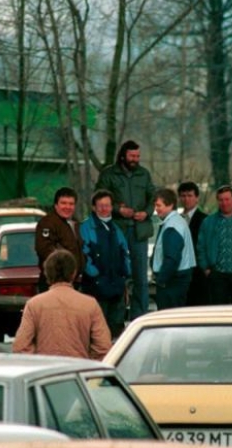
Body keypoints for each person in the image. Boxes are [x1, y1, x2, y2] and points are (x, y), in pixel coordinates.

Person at [12, 249, 112, 360]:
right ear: (73, 273)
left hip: (45, 373)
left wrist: (38, 363)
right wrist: (87, 364)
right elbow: (103, 347)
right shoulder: (90, 304)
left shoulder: (34, 305)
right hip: (77, 370)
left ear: (47, 273)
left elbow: (20, 346)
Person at [95, 140, 155, 320]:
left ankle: (140, 318)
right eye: (132, 156)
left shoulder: (144, 174)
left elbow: (153, 198)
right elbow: (99, 199)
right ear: (123, 155)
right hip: (116, 232)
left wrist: (146, 212)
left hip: (139, 232)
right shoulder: (109, 174)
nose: (135, 159)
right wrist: (118, 210)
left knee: (141, 279)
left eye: (137, 156)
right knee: (117, 276)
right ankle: (116, 320)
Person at [80, 189, 132, 339]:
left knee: (117, 330)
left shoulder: (116, 228)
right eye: (100, 205)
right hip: (96, 289)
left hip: (117, 288)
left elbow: (125, 253)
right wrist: (95, 275)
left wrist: (124, 275)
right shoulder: (86, 227)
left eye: (107, 205)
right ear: (94, 207)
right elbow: (84, 255)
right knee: (97, 331)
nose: (104, 209)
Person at [152, 188, 195, 309]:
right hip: (177, 279)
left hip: (172, 282)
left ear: (170, 205)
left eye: (159, 205)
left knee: (168, 319)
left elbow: (172, 258)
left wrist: (161, 280)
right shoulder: (178, 222)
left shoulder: (172, 226)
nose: (156, 209)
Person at [35, 187, 85, 292]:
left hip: (74, 283)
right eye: (63, 203)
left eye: (71, 204)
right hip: (54, 283)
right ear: (56, 205)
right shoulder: (48, 223)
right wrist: (65, 270)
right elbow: (44, 249)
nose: (67, 207)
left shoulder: (75, 224)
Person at [178, 181, 208, 306]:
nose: (186, 199)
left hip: (199, 272)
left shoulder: (204, 219)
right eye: (183, 196)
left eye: (190, 196)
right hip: (180, 271)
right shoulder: (176, 219)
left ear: (196, 198)